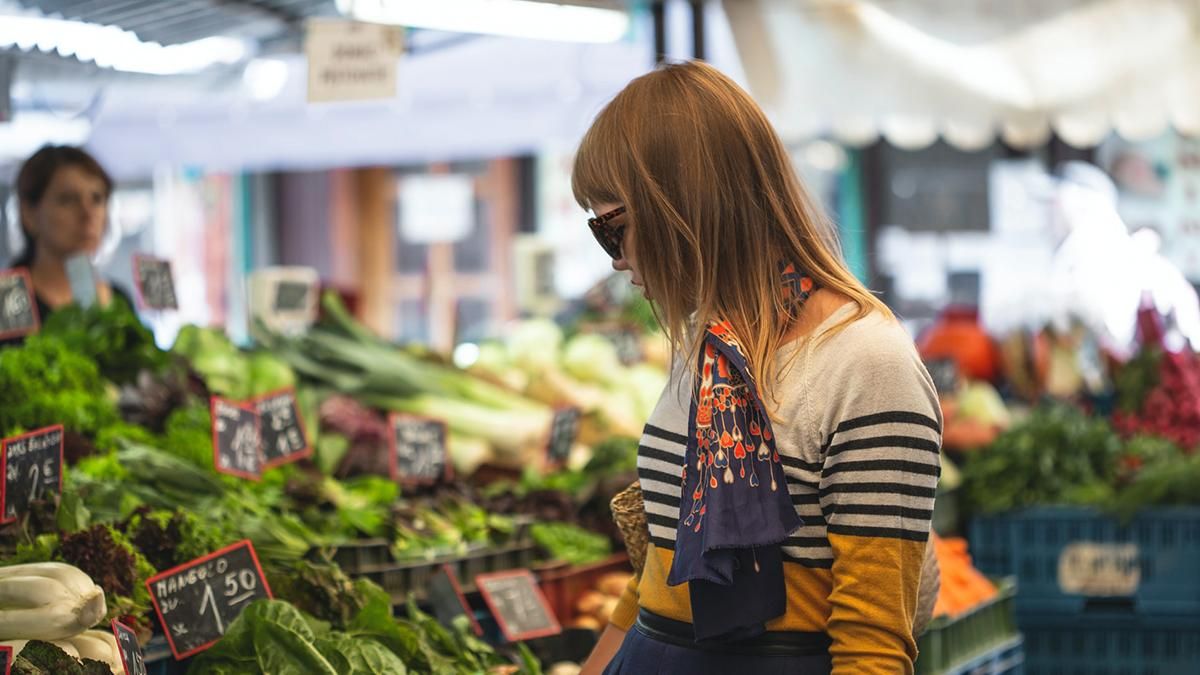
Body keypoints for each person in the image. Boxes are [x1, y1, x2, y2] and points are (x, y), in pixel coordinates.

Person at [573, 61, 942, 674]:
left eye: (613, 229)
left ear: (681, 208)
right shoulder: (711, 345)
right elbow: (661, 570)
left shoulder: (866, 363)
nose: (615, 259)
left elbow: (872, 643)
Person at [2, 145, 132, 347]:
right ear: (29, 214)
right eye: (67, 200)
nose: (88, 214)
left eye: (97, 199)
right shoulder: (7, 298)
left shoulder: (119, 301)